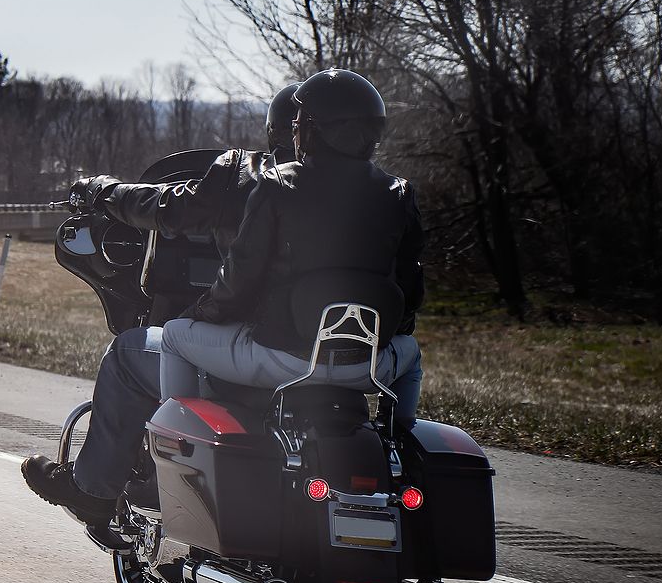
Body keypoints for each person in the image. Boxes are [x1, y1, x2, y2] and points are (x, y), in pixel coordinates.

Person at [24, 68, 424, 527]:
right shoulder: (396, 192)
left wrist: (201, 314)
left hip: (273, 352)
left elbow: (224, 263)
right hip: (364, 363)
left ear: (303, 128)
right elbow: (410, 291)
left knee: (151, 343)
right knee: (411, 355)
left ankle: (138, 476)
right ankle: (402, 447)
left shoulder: (266, 181)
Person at [21, 84, 302, 525]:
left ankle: (95, 489)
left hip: (258, 350)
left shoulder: (250, 178)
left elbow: (167, 207)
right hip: (351, 360)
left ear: (280, 129)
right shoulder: (381, 193)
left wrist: (102, 191)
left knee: (132, 350)